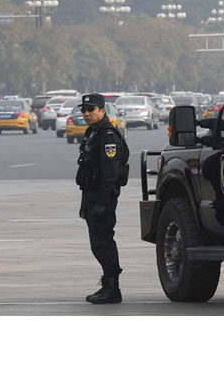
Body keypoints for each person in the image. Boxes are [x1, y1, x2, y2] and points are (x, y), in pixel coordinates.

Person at [76, 93, 126, 304]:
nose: (86, 114)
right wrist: (85, 204)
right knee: (97, 243)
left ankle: (112, 287)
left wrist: (103, 203)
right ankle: (108, 284)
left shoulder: (108, 137)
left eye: (91, 109)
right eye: (84, 110)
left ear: (102, 111)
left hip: (102, 197)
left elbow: (110, 173)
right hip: (91, 195)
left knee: (103, 242)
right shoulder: (93, 133)